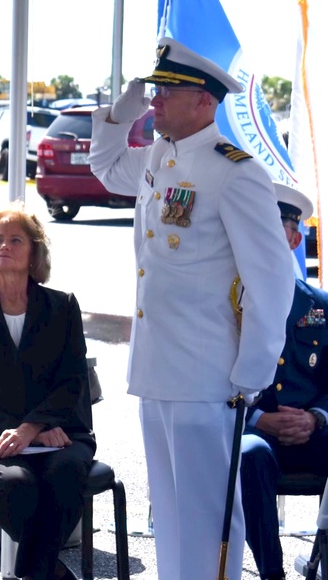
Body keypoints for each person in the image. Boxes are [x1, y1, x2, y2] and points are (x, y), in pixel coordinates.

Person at [88, 37, 295, 580]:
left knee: (207, 517)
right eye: (153, 92)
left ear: (204, 100)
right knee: (171, 515)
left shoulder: (234, 171)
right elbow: (106, 167)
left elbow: (272, 280)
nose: (154, 101)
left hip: (209, 376)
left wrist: (249, 372)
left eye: (166, 92)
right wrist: (119, 114)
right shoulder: (161, 155)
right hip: (158, 369)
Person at [0, 203, 94, 580]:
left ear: (34, 253)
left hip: (59, 430)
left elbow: (72, 380)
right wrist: (23, 428)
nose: (3, 247)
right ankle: (51, 573)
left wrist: (34, 427)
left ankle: (31, 570)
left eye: (15, 240)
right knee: (16, 485)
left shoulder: (62, 306)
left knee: (66, 473)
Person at [240, 183, 328, 580]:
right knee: (248, 455)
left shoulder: (319, 306)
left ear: (294, 237)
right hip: (258, 432)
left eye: (275, 226)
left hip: (314, 432)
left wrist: (317, 418)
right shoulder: (229, 301)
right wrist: (258, 419)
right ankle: (271, 573)